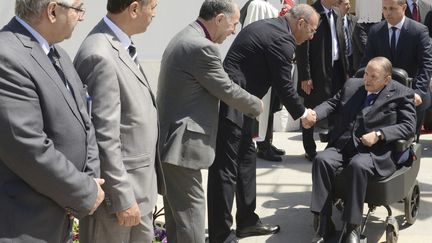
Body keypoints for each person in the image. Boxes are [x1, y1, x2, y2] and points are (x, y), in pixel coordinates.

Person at [207, 4, 319, 242]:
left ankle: (247, 221)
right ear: (300, 24)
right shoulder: (282, 39)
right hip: (233, 102)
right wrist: (302, 114)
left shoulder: (274, 28)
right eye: (311, 30)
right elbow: (284, 85)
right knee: (226, 170)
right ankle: (220, 234)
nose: (312, 36)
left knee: (246, 160)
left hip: (245, 103)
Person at [157, 1, 263, 242]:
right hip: (181, 147)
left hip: (171, 141)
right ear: (219, 19)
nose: (234, 31)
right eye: (234, 24)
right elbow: (225, 88)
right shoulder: (202, 47)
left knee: (178, 220)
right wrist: (256, 105)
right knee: (192, 219)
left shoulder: (185, 35)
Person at [0, 0, 105, 242]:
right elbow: (28, 148)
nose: (81, 17)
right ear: (53, 10)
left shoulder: (59, 54)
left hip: (58, 219)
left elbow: (84, 120)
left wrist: (90, 177)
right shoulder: (7, 57)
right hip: (25, 224)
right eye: (78, 8)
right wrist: (84, 190)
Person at [74, 0, 165, 242]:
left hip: (139, 193)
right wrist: (122, 197)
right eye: (153, 6)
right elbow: (102, 136)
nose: (156, 14)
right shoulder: (99, 54)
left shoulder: (119, 45)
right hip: (119, 202)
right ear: (134, 8)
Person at [310, 57, 416, 243]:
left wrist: (380, 133)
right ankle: (324, 221)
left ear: (387, 79)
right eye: (366, 73)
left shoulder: (402, 93)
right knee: (321, 160)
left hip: (376, 151)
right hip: (344, 144)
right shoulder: (352, 85)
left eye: (373, 76)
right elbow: (333, 104)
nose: (366, 79)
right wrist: (315, 113)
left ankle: (352, 227)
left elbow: (408, 126)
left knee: (358, 165)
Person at [361, 0, 432, 142]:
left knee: (409, 142)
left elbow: (426, 64)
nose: (387, 13)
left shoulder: (419, 31)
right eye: (384, 8)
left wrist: (419, 92)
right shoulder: (375, 31)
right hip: (383, 97)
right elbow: (367, 63)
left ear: (404, 7)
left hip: (412, 96)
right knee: (387, 139)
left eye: (392, 8)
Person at [296, 0, 348, 162]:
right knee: (311, 108)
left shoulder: (337, 13)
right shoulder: (311, 13)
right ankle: (310, 149)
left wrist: (347, 70)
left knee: (338, 108)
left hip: (338, 68)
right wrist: (305, 75)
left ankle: (332, 148)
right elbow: (302, 46)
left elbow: (342, 41)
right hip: (317, 70)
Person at [338, 0, 357, 77]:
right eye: (346, 4)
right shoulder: (334, 21)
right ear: (337, 5)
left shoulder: (354, 20)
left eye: (349, 4)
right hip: (339, 61)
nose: (349, 6)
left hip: (353, 61)